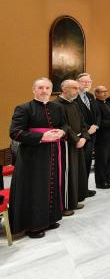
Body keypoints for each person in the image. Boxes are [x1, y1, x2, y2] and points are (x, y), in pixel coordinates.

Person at [8, 78, 67, 238]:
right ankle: (33, 226)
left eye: (47, 88)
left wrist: (62, 132)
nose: (44, 91)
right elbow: (15, 132)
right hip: (31, 156)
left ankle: (50, 218)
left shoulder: (57, 107)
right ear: (34, 90)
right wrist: (41, 137)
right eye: (40, 88)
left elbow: (64, 125)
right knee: (36, 189)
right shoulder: (23, 108)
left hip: (53, 152)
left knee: (52, 184)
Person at [54, 79, 89, 215]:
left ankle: (74, 200)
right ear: (64, 89)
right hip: (67, 143)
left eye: (77, 88)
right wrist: (76, 139)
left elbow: (82, 122)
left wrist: (84, 137)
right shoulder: (57, 105)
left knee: (77, 172)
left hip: (79, 141)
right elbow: (63, 125)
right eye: (74, 88)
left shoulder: (74, 104)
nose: (77, 90)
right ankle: (65, 205)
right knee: (67, 174)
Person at [75, 73, 100, 197]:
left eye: (89, 82)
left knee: (87, 163)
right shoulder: (74, 97)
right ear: (77, 82)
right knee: (80, 165)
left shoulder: (90, 96)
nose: (86, 84)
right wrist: (87, 130)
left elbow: (97, 113)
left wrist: (96, 125)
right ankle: (78, 191)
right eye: (84, 81)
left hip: (93, 134)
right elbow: (76, 118)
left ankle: (85, 189)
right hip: (81, 136)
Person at [93, 85, 110, 189]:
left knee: (109, 159)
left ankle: (107, 177)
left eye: (106, 91)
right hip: (102, 137)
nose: (105, 93)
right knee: (101, 161)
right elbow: (99, 122)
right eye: (102, 92)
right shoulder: (95, 105)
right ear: (96, 94)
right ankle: (100, 182)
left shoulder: (107, 103)